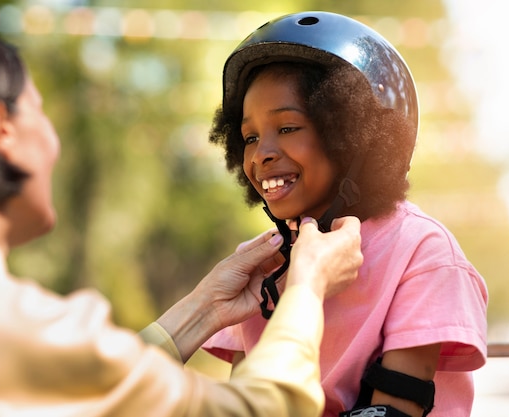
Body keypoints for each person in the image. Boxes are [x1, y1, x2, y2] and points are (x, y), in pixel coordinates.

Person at [0, 16, 365, 417]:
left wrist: (203, 309)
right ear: (1, 128)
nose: (54, 140)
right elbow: (258, 410)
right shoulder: (16, 325)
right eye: (39, 109)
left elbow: (86, 387)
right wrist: (307, 287)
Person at [203, 11, 488, 417]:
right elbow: (249, 404)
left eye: (287, 128)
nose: (261, 153)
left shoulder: (421, 251)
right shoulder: (258, 265)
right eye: (249, 136)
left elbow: (394, 409)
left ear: (354, 137)